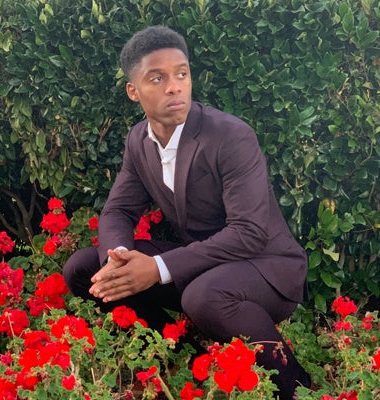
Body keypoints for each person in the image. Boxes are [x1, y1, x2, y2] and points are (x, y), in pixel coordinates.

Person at [63, 25, 311, 399]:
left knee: (203, 296)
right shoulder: (138, 140)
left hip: (265, 264)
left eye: (181, 74)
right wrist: (118, 259)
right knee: (85, 270)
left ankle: (295, 383)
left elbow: (249, 232)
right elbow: (117, 210)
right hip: (202, 264)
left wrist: (159, 268)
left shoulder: (230, 136)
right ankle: (182, 356)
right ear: (134, 91)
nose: (174, 87)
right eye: (157, 78)